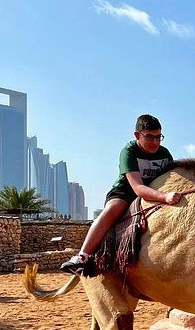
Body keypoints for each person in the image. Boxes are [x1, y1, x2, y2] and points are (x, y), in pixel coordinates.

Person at [61, 114, 181, 275]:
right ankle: (82, 256)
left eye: (159, 137)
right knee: (114, 208)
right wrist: (164, 197)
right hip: (126, 192)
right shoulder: (129, 151)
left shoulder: (164, 154)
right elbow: (138, 188)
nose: (155, 142)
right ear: (137, 135)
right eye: (150, 137)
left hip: (156, 191)